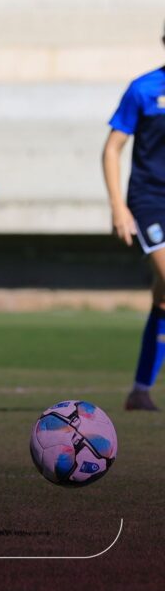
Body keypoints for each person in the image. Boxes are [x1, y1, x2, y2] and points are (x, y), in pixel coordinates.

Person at [103, 32, 165, 411]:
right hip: (150, 202)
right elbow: (112, 149)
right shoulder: (144, 89)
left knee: (163, 297)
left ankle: (140, 391)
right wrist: (118, 207)